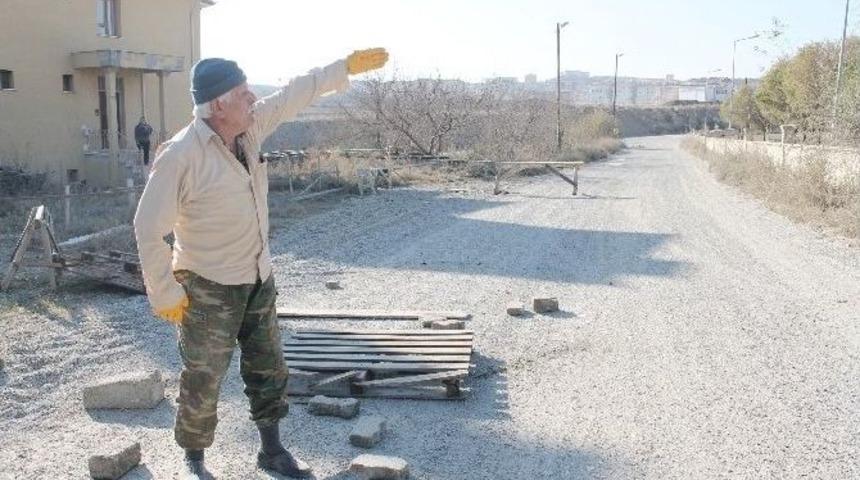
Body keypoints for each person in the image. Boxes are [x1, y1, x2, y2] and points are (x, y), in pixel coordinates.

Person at [133, 49, 388, 479]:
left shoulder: (249, 129)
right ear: (217, 105)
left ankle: (271, 451)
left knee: (268, 367)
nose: (253, 97)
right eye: (242, 92)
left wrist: (340, 68)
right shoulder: (181, 154)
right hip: (207, 286)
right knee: (204, 378)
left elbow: (294, 93)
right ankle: (195, 460)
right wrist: (165, 292)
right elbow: (146, 228)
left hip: (257, 277)